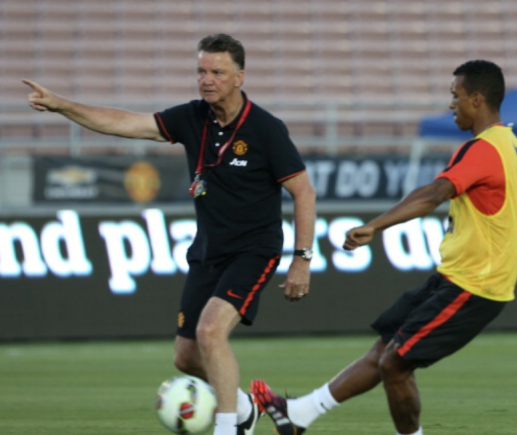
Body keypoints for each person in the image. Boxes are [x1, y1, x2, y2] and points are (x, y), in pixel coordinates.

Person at [251, 60, 517, 435]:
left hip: (476, 286)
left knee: (395, 363)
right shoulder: (509, 145)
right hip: (454, 278)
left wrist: (376, 225)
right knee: (384, 351)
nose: (451, 104)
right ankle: (299, 414)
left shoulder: (481, 150)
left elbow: (433, 194)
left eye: (455, 96)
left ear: (476, 99)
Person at [24, 33, 317, 435]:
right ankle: (247, 407)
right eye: (201, 71)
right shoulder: (192, 117)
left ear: (239, 77)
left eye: (217, 72)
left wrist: (302, 259)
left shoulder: (266, 129)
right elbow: (125, 123)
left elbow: (303, 190)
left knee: (211, 330)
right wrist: (62, 105)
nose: (207, 79)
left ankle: (229, 428)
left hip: (254, 249)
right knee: (186, 356)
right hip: (207, 251)